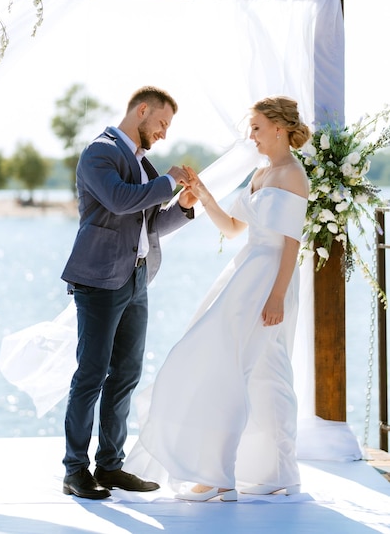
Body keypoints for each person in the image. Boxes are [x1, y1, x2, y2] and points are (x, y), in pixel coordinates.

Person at [125, 95, 311, 501]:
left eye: (258, 128)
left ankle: (223, 474)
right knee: (252, 369)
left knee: (256, 370)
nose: (253, 136)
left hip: (270, 281)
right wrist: (203, 194)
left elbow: (292, 245)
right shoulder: (262, 175)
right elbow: (231, 228)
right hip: (246, 276)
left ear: (279, 128)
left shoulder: (293, 175)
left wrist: (278, 296)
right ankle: (270, 472)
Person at [61, 86, 196, 500]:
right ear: (141, 111)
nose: (163, 133)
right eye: (161, 122)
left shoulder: (145, 167)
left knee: (125, 375)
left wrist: (185, 206)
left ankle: (111, 466)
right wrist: (171, 180)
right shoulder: (98, 153)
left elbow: (149, 225)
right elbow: (121, 202)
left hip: (137, 280)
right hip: (99, 281)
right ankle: (75, 471)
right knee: (91, 375)